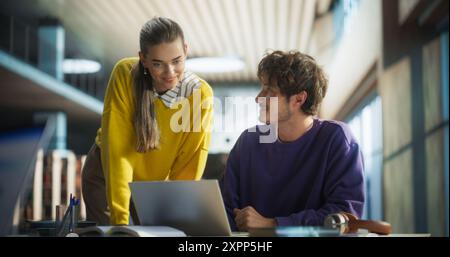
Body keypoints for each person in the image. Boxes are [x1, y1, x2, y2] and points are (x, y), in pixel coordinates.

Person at [82, 17, 213, 225]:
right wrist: (120, 224)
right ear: (143, 59)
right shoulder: (124, 75)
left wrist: (176, 221)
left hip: (151, 186)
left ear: (186, 50)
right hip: (106, 174)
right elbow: (118, 154)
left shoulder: (200, 95)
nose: (170, 73)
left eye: (177, 61)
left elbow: (189, 165)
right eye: (158, 64)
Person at [220, 50, 365, 232]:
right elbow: (225, 211)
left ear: (298, 99)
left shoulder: (337, 139)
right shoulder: (248, 142)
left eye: (269, 91)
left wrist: (273, 225)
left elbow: (344, 216)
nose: (258, 98)